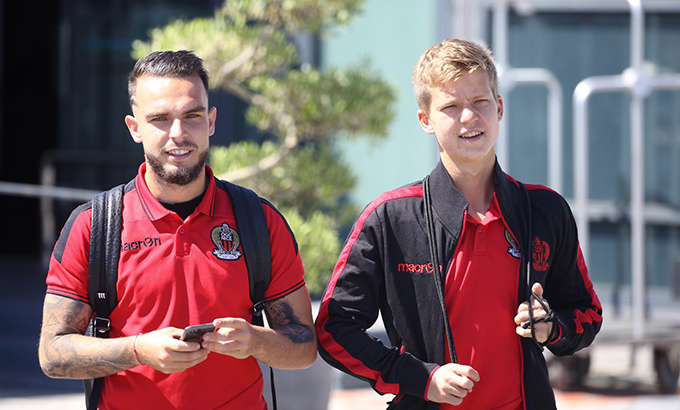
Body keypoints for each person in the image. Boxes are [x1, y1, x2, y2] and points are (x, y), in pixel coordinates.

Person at [316, 38, 602, 410]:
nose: (469, 117)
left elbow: (587, 313)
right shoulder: (390, 218)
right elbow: (333, 329)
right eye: (451, 106)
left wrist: (551, 327)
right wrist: (420, 377)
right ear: (426, 120)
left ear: (499, 108)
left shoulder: (546, 210)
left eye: (480, 101)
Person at [38, 50, 317, 410]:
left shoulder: (258, 220)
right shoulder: (94, 225)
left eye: (192, 116)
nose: (178, 134)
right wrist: (138, 350)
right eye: (160, 119)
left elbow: (305, 347)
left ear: (211, 121)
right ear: (134, 128)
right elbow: (52, 353)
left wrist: (254, 340)